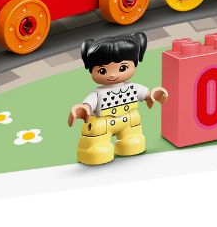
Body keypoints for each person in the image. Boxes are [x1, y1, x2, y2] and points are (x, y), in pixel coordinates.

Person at [67, 31, 168, 165]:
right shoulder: (97, 94)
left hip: (129, 120)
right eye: (102, 71)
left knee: (133, 138)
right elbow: (89, 104)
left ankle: (131, 140)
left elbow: (146, 94)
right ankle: (94, 149)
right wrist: (84, 108)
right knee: (96, 144)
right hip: (102, 123)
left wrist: (152, 95)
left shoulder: (133, 87)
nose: (113, 75)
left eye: (123, 68)